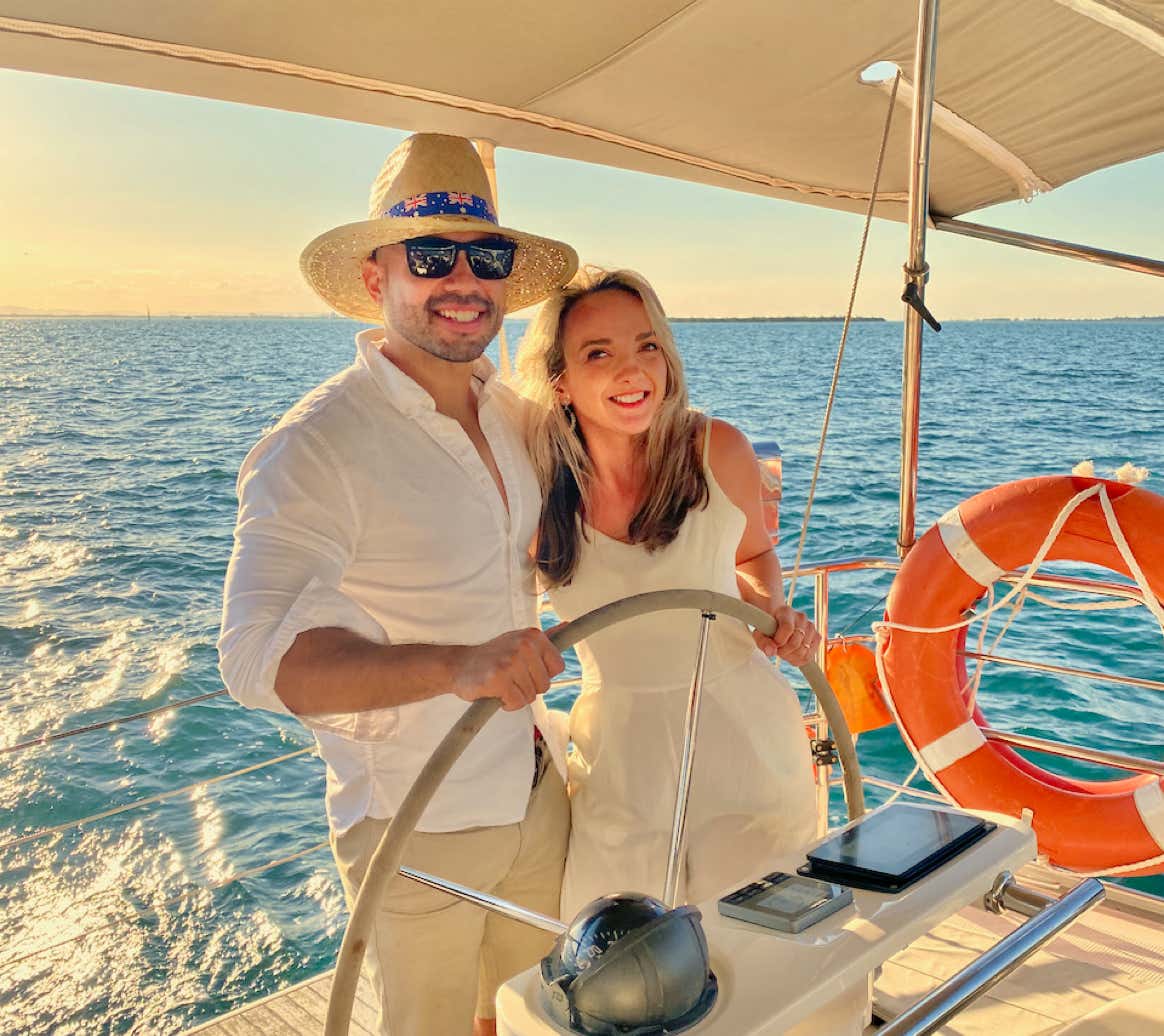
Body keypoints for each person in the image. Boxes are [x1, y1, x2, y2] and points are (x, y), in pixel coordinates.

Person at [218, 133, 579, 1036]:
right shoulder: (317, 446)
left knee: (540, 1017)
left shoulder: (513, 417)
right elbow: (254, 661)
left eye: (485, 255)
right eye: (429, 255)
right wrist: (460, 665)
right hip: (419, 826)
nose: (462, 278)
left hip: (537, 794)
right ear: (377, 278)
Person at [515, 266, 822, 918]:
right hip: (619, 766)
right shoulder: (535, 491)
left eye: (647, 345)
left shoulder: (719, 450)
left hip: (747, 750)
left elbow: (755, 553)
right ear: (560, 382)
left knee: (759, 963)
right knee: (613, 964)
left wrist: (774, 613)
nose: (632, 371)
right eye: (600, 354)